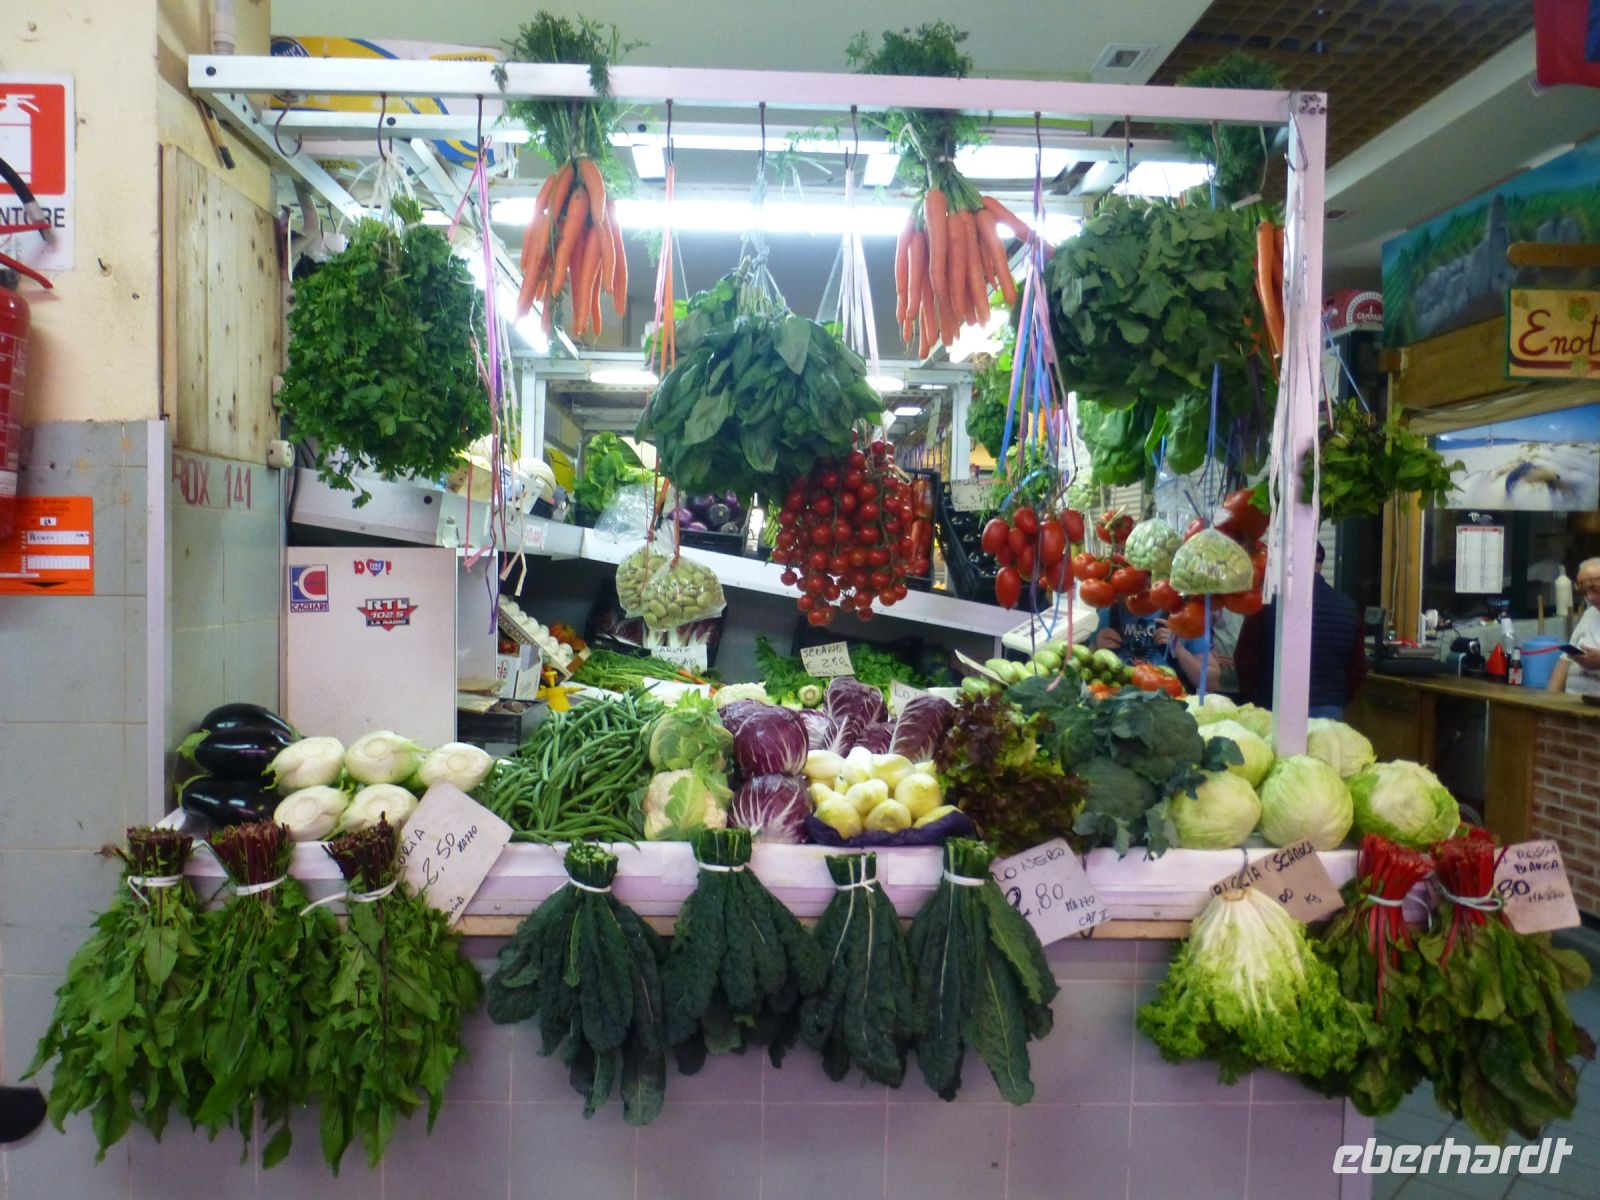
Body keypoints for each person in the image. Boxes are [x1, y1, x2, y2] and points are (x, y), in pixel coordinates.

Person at [1234, 542, 1367, 718]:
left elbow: (1245, 659)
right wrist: (1337, 699)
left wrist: (1251, 697)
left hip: (1274, 706)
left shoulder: (1267, 604)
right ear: (1320, 563)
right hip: (1328, 710)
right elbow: (1358, 669)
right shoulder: (1348, 607)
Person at [1094, 596, 1238, 694]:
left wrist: (1179, 650)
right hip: (1116, 704)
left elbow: (1211, 682)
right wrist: (1096, 649)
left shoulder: (1184, 616)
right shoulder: (1106, 616)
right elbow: (1086, 671)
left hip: (1169, 704)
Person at [1547, 557, 1600, 696]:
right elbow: (1564, 662)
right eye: (1584, 592)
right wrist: (1548, 702)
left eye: (1595, 589)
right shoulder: (1590, 614)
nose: (1590, 597)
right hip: (1571, 705)